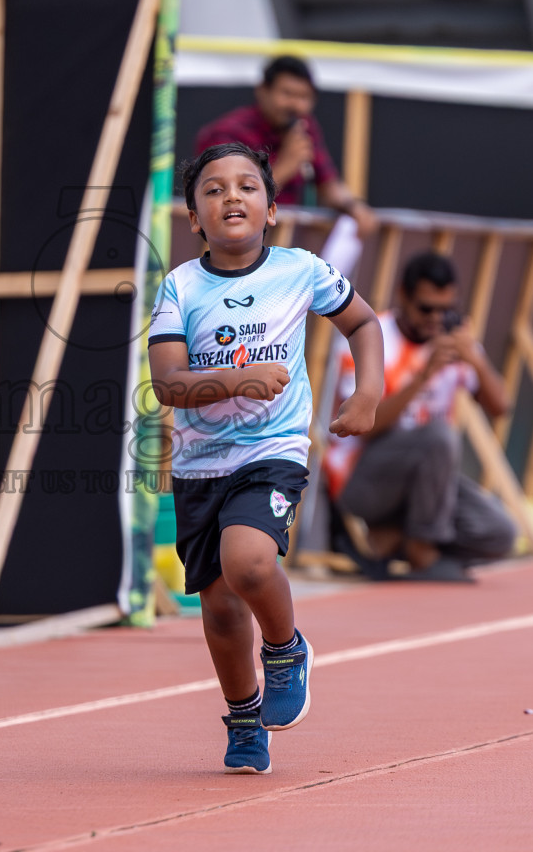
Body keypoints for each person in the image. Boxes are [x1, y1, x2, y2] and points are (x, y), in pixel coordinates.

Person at [147, 141, 384, 775]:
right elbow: (168, 384)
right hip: (201, 465)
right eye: (214, 189)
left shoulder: (302, 270)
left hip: (273, 449)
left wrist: (368, 394)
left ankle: (284, 649)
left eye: (247, 187)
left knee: (249, 561)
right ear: (194, 218)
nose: (231, 197)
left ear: (272, 209)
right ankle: (244, 718)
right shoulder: (179, 287)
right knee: (221, 608)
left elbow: (363, 324)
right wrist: (237, 380)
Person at [323, 251, 517, 582]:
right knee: (438, 436)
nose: (436, 319)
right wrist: (425, 374)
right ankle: (422, 549)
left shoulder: (451, 340)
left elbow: (500, 408)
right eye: (427, 308)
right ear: (403, 296)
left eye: (447, 310)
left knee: (500, 532)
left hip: (424, 483)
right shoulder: (371, 336)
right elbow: (358, 428)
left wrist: (475, 359)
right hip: (362, 477)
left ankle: (392, 540)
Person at [193, 55, 377, 234]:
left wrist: (354, 207)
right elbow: (230, 199)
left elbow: (328, 183)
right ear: (262, 91)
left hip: (282, 241)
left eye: (304, 97)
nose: (296, 105)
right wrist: (286, 164)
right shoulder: (229, 133)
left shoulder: (303, 127)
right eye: (287, 94)